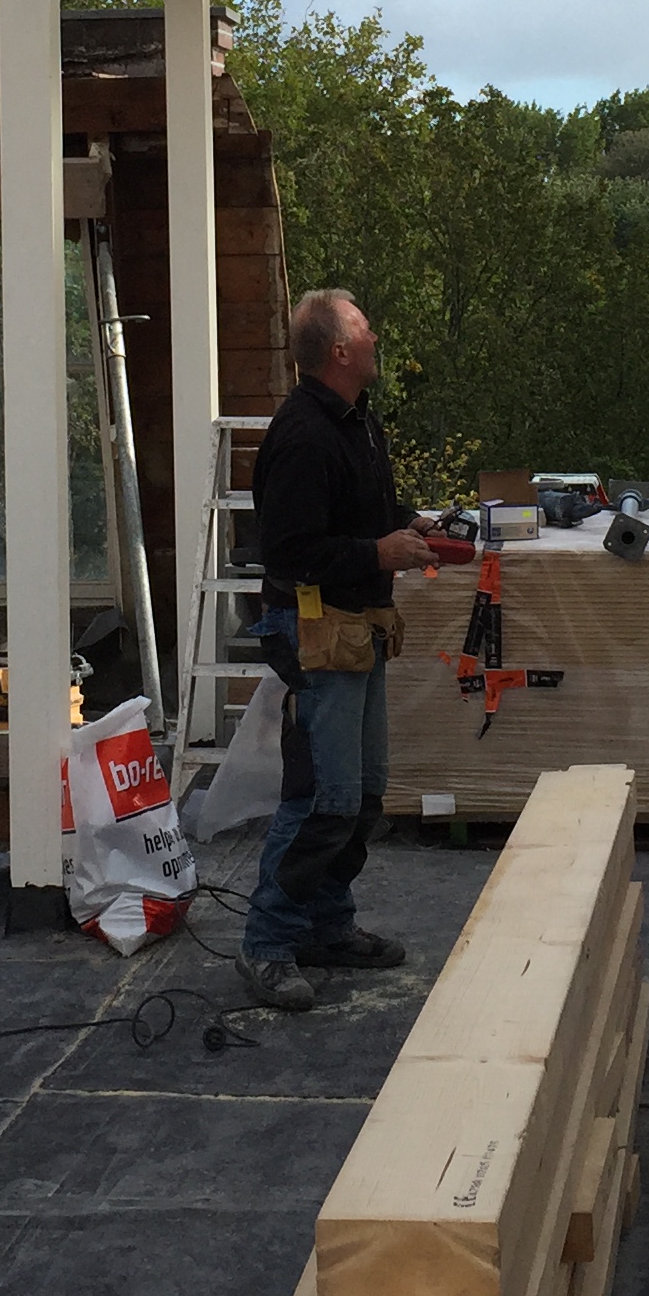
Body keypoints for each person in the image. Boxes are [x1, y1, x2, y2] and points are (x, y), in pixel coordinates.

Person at [238, 288, 431, 1013]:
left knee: (365, 792)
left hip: (357, 625)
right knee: (325, 797)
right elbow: (289, 551)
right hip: (315, 630)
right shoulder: (303, 436)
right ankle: (266, 943)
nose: (376, 336)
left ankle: (326, 925)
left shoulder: (356, 421)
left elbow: (362, 513)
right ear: (340, 352)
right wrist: (379, 552)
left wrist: (415, 525)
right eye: (365, 329)